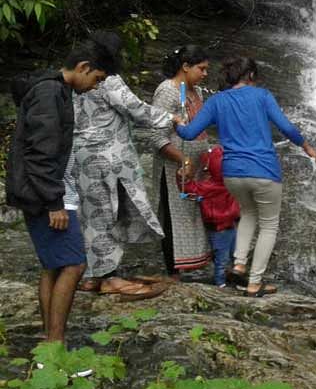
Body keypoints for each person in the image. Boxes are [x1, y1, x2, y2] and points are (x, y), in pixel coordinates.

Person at [176, 56, 316, 297]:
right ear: (251, 76)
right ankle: (254, 282)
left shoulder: (217, 101)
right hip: (264, 171)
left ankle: (240, 263)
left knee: (248, 214)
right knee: (269, 225)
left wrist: (177, 123)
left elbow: (189, 133)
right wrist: (306, 146)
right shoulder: (262, 96)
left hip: (232, 174)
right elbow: (286, 127)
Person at [5, 35, 115, 344]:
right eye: (97, 78)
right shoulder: (50, 93)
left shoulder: (54, 89)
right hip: (46, 196)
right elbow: (40, 154)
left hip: (41, 193)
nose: (96, 85)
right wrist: (55, 202)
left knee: (53, 265)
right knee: (74, 263)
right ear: (83, 67)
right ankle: (55, 346)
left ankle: (49, 342)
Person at [72, 33, 181, 299]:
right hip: (108, 157)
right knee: (107, 213)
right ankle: (107, 277)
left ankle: (90, 275)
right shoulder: (107, 78)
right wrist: (171, 118)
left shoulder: (76, 80)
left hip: (80, 155)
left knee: (90, 214)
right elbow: (136, 110)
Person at [150, 45, 213, 280]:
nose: (205, 73)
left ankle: (194, 264)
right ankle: (173, 274)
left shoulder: (196, 92)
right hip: (174, 167)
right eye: (202, 68)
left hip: (195, 166)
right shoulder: (167, 91)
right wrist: (182, 159)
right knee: (172, 216)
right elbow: (155, 135)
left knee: (194, 214)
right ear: (185, 67)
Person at [178, 146, 240, 287]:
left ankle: (222, 282)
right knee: (231, 255)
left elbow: (190, 190)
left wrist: (183, 178)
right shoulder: (232, 181)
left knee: (222, 257)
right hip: (227, 224)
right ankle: (226, 281)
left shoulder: (210, 186)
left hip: (219, 226)